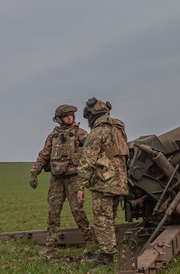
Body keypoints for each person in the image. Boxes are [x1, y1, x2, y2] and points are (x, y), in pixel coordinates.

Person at [29, 104, 95, 255]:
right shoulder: (53, 137)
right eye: (66, 116)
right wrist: (34, 172)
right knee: (53, 212)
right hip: (56, 180)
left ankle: (89, 241)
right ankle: (50, 244)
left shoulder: (80, 133)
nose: (69, 118)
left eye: (71, 115)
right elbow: (44, 154)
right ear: (59, 119)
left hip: (73, 179)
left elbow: (92, 149)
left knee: (78, 211)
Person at [75, 97, 129, 266]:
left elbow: (87, 161)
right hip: (120, 182)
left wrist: (80, 187)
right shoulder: (118, 129)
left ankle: (107, 259)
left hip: (104, 183)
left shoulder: (98, 132)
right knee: (109, 219)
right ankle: (107, 253)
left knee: (102, 222)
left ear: (92, 115)